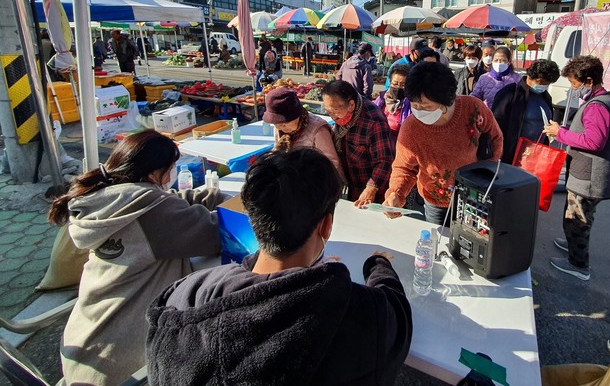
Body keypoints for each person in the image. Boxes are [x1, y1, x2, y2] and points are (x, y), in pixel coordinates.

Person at [146, 148, 412, 385]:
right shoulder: (359, 311)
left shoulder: (187, 295)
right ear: (327, 226)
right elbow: (397, 312)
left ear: (255, 220)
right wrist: (378, 265)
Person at [47, 130, 226, 385]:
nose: (172, 176)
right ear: (154, 174)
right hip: (125, 371)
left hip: (85, 345)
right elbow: (215, 235)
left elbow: (166, 201)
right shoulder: (152, 214)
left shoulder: (107, 198)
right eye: (171, 169)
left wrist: (209, 196)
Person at [383, 61, 504, 226]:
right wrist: (396, 193)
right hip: (435, 201)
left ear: (446, 100)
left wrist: (487, 175)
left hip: (474, 196)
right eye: (414, 105)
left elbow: (496, 137)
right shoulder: (411, 128)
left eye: (425, 106)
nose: (418, 111)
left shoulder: (473, 108)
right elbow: (404, 168)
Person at [543, 56, 610, 281]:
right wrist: (566, 130)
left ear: (588, 81)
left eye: (574, 83)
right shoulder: (604, 100)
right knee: (580, 216)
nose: (572, 88)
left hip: (589, 176)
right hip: (588, 173)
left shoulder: (597, 106)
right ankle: (573, 243)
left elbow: (594, 142)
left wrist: (560, 133)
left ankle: (578, 265)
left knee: (577, 219)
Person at [321, 80, 395, 206]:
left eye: (335, 111)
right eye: (329, 111)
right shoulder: (344, 116)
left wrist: (371, 188)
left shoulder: (374, 121)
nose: (333, 116)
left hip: (376, 188)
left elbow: (385, 160)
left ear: (351, 105)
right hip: (354, 183)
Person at [263, 87, 343, 178]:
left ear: (297, 116)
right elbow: (278, 152)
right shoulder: (279, 128)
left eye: (285, 124)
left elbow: (332, 164)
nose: (281, 127)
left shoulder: (318, 130)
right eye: (276, 124)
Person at [492, 59, 560, 164]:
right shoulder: (510, 93)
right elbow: (496, 123)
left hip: (535, 154)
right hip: (511, 154)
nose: (543, 86)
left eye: (547, 84)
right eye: (540, 82)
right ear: (529, 76)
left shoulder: (546, 97)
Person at [375, 64, 411, 142]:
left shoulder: (411, 104)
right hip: (380, 142)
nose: (398, 87)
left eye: (403, 85)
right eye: (395, 83)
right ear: (390, 82)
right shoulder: (381, 99)